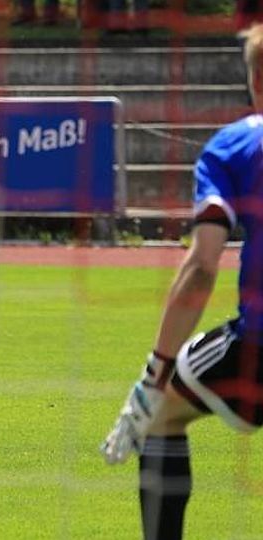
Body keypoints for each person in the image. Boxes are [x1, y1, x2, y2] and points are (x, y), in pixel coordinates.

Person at [101, 23, 263, 540]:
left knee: (160, 417)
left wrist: (155, 372)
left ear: (256, 80)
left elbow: (201, 268)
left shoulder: (235, 147)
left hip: (259, 345)